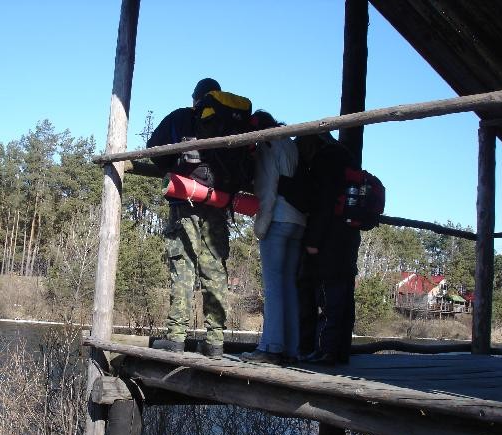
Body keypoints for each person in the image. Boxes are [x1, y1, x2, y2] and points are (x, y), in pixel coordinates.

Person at [149, 78, 229, 359]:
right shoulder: (230, 122)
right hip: (218, 203)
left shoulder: (181, 117)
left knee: (182, 267)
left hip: (185, 201)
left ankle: (176, 337)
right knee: (214, 270)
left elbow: (154, 150)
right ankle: (215, 341)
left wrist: (174, 166)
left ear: (195, 98)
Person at [278, 132, 361, 366]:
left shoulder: (325, 161)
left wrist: (313, 241)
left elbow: (321, 202)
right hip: (347, 238)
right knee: (342, 297)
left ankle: (325, 351)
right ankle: (339, 351)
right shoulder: (345, 159)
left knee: (326, 298)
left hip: (328, 241)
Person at [241, 111, 307, 365]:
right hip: (298, 220)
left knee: (273, 287)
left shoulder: (268, 144)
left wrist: (261, 225)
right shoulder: (290, 143)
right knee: (288, 285)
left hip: (277, 218)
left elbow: (268, 189)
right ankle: (290, 348)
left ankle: (270, 347)